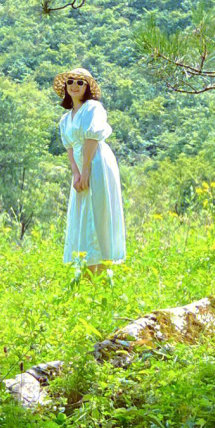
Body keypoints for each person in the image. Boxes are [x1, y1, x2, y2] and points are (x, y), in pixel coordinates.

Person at [54, 67, 126, 276]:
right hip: (80, 166)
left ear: (87, 87)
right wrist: (76, 173)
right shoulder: (65, 119)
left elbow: (91, 139)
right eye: (70, 82)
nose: (74, 85)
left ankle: (102, 271)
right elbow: (69, 148)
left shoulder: (93, 108)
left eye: (80, 82)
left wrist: (86, 171)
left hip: (97, 163)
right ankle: (85, 272)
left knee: (98, 211)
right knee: (82, 213)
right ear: (65, 87)